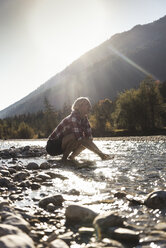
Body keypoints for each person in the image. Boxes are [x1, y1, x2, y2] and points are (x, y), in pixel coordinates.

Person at [46, 97, 111, 161]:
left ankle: (72, 157)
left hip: (63, 145)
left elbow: (89, 139)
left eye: (89, 105)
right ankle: (64, 159)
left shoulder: (85, 119)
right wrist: (100, 155)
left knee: (85, 139)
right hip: (52, 146)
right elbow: (80, 139)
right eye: (87, 104)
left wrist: (101, 153)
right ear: (79, 106)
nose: (90, 107)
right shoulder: (73, 117)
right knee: (76, 137)